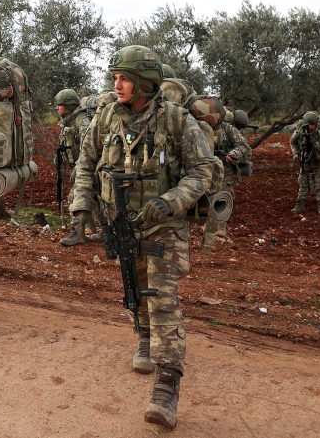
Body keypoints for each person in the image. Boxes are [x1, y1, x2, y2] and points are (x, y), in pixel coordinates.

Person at [71, 46, 213, 429]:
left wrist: (170, 201)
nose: (116, 84)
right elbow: (85, 163)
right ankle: (145, 338)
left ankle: (167, 387)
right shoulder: (105, 117)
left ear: (145, 83)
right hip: (121, 221)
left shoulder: (177, 120)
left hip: (164, 224)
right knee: (134, 285)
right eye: (114, 77)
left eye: (124, 78)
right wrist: (82, 206)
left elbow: (203, 170)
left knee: (162, 296)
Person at [55, 88, 102, 246]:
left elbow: (88, 148)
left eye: (59, 104)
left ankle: (77, 233)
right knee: (93, 200)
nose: (57, 107)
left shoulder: (82, 122)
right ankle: (108, 230)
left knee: (74, 198)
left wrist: (79, 168)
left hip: (87, 168)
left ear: (68, 106)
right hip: (80, 168)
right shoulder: (69, 121)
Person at [290, 111, 320, 215]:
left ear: (316, 124)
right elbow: (293, 143)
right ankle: (299, 205)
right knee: (303, 183)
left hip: (319, 162)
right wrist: (296, 153)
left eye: (313, 124)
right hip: (306, 161)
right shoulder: (300, 132)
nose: (311, 126)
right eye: (309, 124)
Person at [214, 110, 251, 235]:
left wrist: (234, 153)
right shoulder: (204, 127)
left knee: (224, 195)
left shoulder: (229, 130)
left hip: (225, 169)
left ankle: (221, 227)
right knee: (208, 197)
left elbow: (243, 146)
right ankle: (209, 225)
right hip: (207, 169)